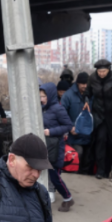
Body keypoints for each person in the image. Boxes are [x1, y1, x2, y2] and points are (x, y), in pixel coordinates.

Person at [39, 83, 74, 212]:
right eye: (40, 96)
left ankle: (67, 198)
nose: (41, 98)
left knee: (55, 176)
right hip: (47, 146)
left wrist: (51, 131)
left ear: (51, 95)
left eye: (44, 96)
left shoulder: (58, 109)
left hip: (56, 147)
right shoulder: (43, 108)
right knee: (48, 174)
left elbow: (68, 126)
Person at [61, 72, 93, 159]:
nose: (85, 86)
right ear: (77, 83)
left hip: (90, 135)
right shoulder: (68, 95)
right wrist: (70, 127)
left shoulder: (92, 94)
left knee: (89, 158)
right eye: (82, 84)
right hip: (74, 135)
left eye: (87, 84)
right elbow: (62, 114)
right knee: (78, 154)